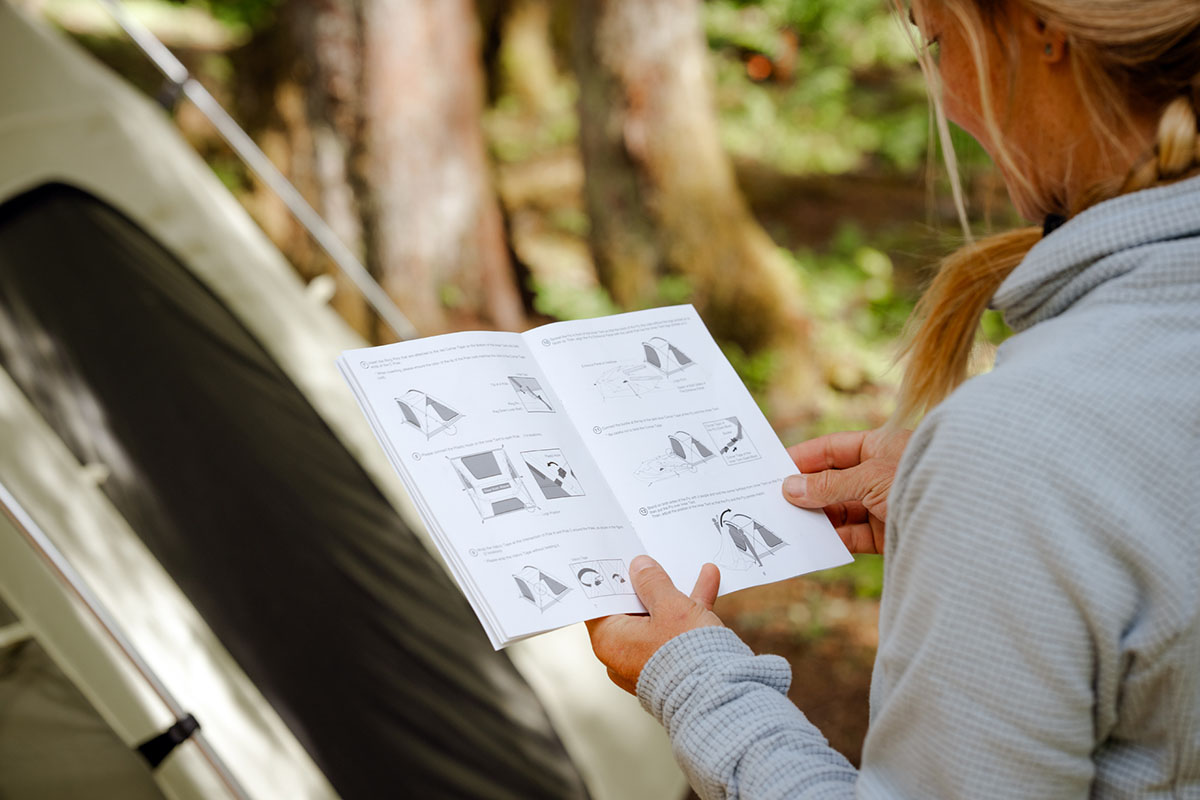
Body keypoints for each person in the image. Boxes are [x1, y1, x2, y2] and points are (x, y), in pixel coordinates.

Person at [587, 0, 1200, 796]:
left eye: (937, 40)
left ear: (1043, 34)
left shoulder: (1020, 447)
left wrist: (695, 681)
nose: (943, 99)